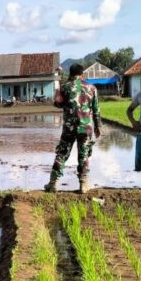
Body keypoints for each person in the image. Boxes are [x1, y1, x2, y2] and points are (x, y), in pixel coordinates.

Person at [44, 63, 101, 194]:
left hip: (69, 128)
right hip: (85, 127)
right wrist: (98, 127)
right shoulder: (92, 88)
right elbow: (96, 110)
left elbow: (57, 103)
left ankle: (53, 184)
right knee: (84, 154)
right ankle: (83, 185)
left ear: (70, 73)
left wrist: (58, 87)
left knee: (62, 153)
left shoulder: (65, 87)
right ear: (82, 74)